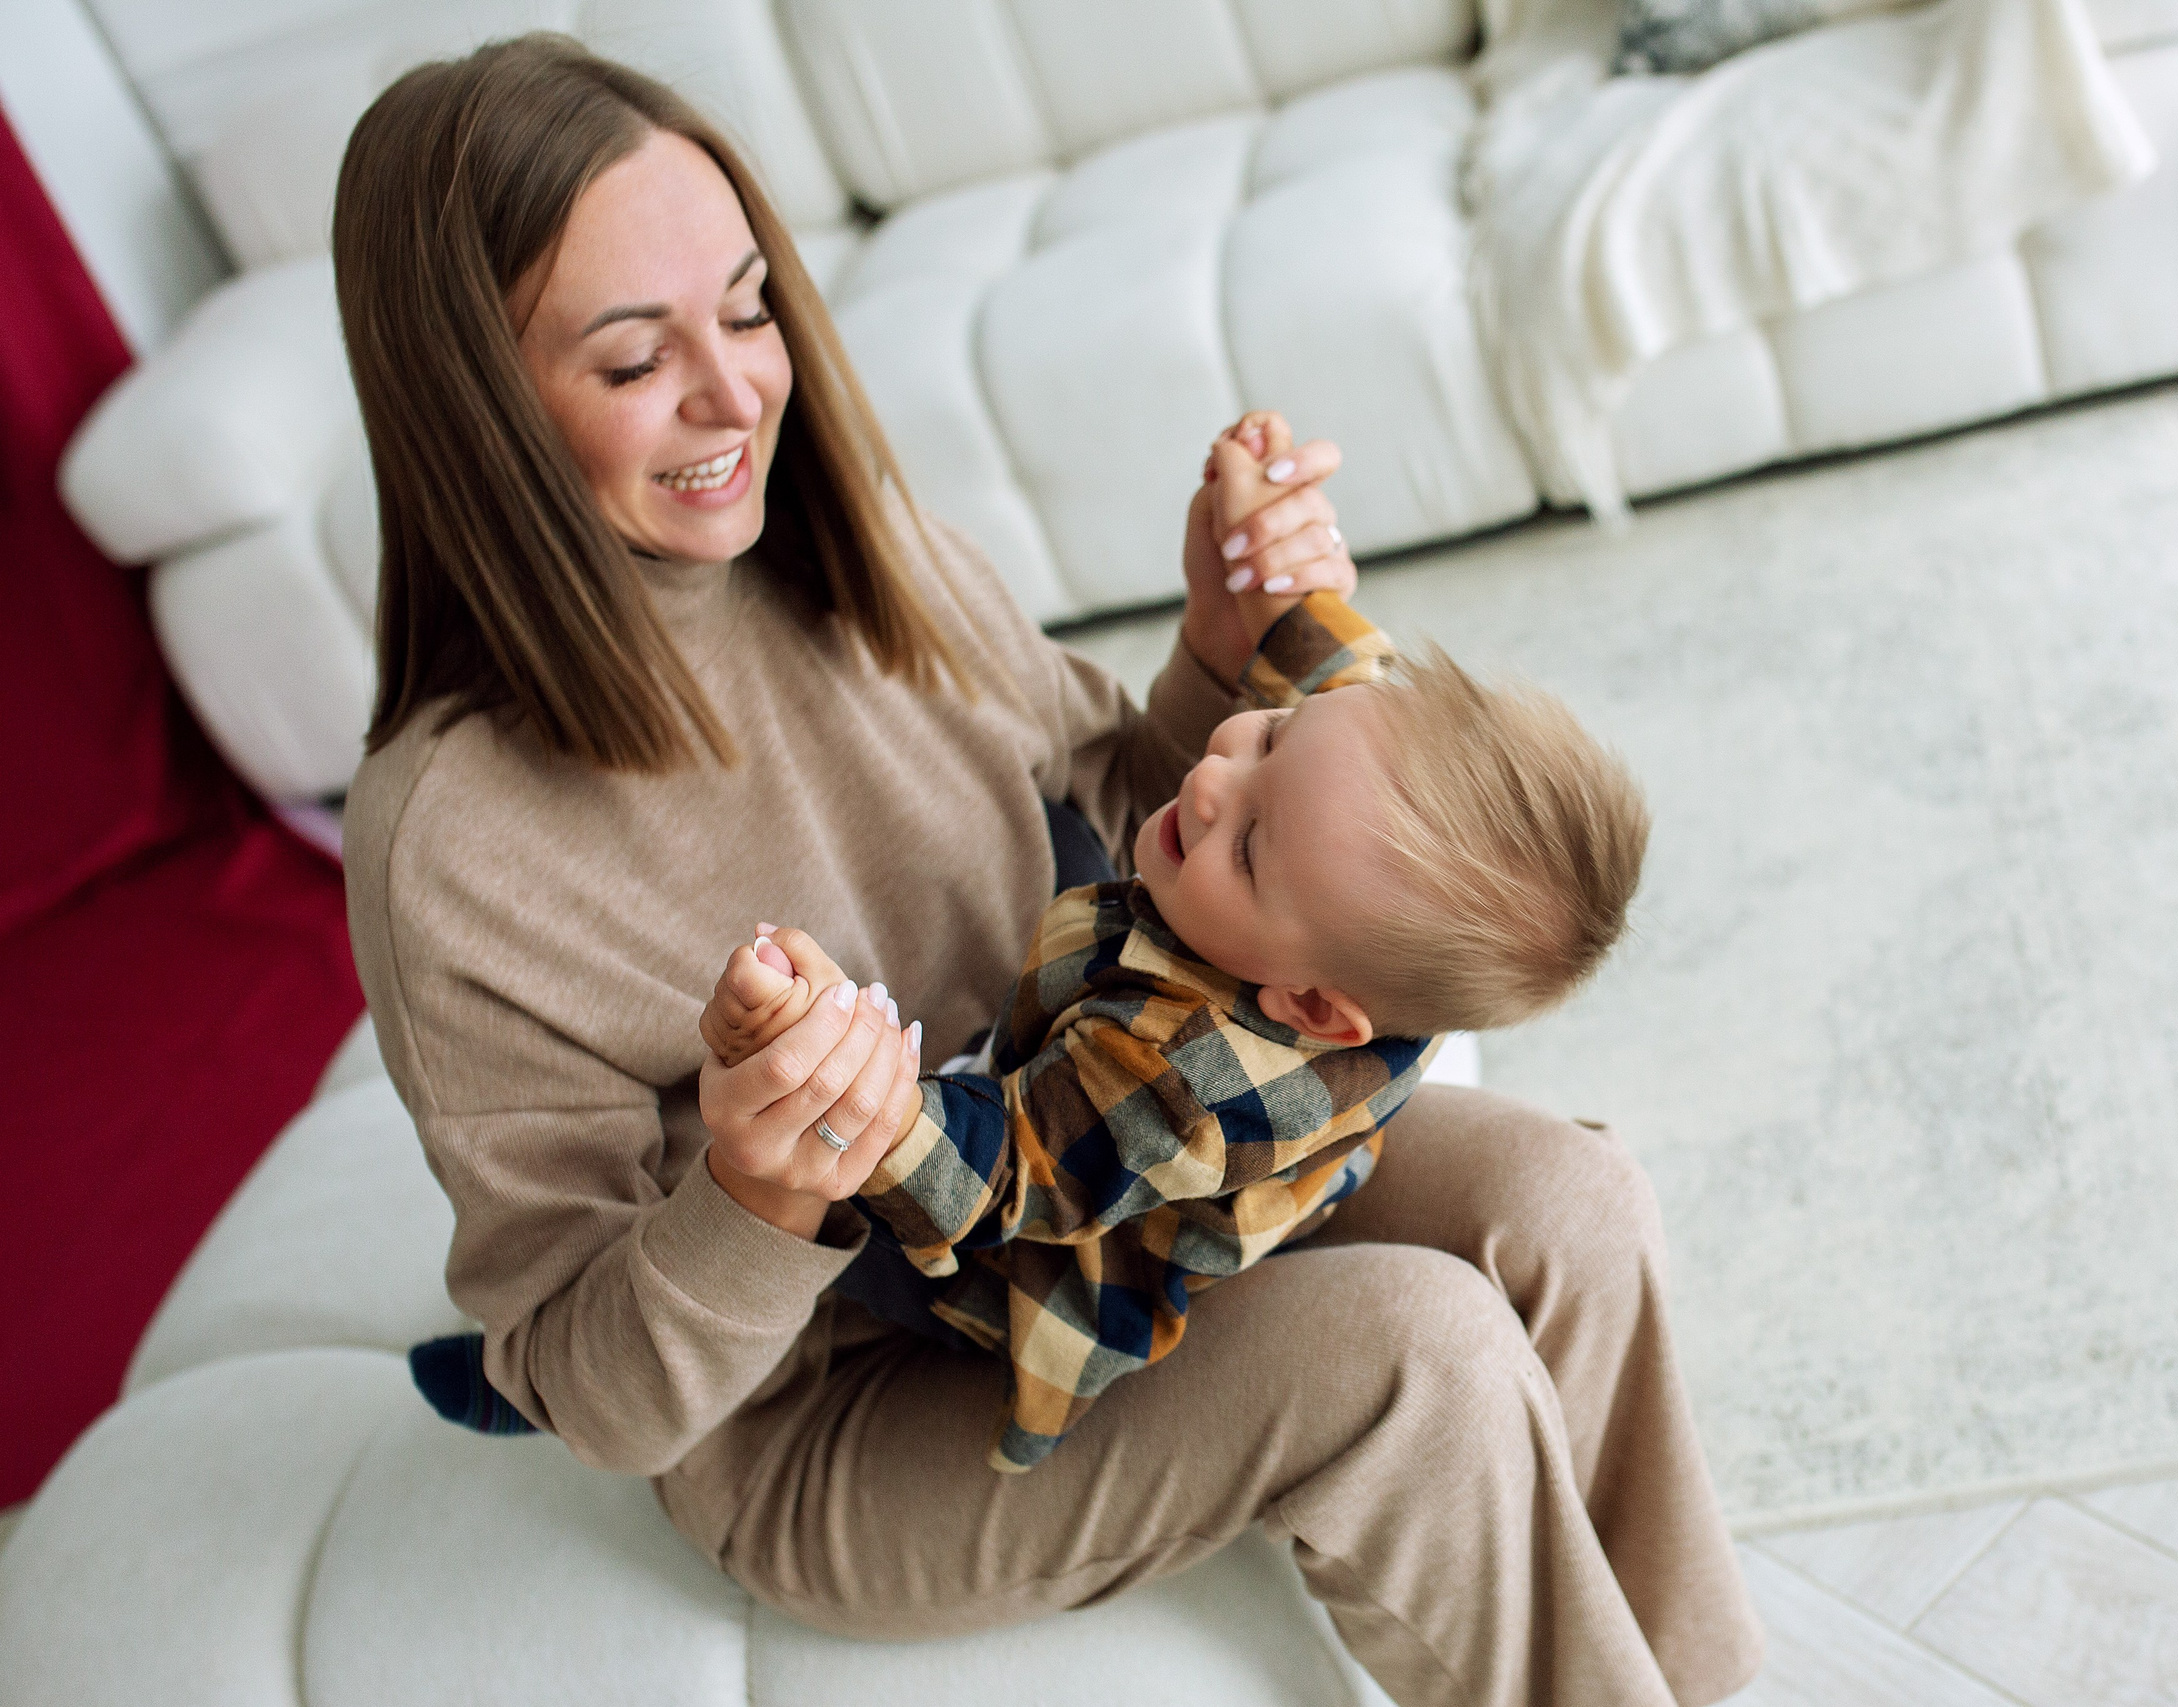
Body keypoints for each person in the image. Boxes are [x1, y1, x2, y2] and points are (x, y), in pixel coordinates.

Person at [335, 32, 1763, 1707]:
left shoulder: (864, 550)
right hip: (853, 1400)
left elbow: (1130, 814)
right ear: (479, 410)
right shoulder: (459, 842)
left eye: (745, 307)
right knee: (1422, 1361)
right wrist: (761, 1185)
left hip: (1106, 1170)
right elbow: (592, 1385)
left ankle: (1687, 1681)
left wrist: (1224, 659)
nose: (737, 395)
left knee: (1573, 1202)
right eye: (637, 360)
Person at [700, 466, 1651, 1470]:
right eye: (1269, 739)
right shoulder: (1351, 836)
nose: (1210, 780)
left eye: (1245, 845)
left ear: (1309, 1007)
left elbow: (1012, 1170)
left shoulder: (1182, 1080)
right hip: (1117, 1075)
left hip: (1034, 1259)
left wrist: (864, 1091)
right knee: (1082, 839)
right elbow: (1337, 680)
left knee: (862, 1236)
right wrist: (1269, 572)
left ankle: (522, 1394)